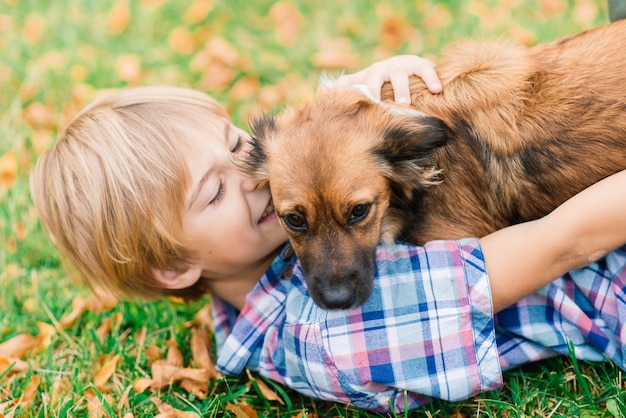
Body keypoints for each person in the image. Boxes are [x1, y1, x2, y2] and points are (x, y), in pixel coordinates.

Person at [30, 58, 626, 412]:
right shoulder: (333, 335)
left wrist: (366, 91)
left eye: (241, 148)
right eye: (213, 194)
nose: (256, 180)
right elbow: (568, 240)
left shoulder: (259, 244)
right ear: (173, 267)